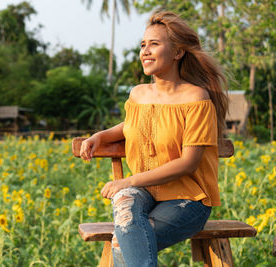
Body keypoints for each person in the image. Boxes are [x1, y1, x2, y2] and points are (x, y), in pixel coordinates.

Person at [80, 11, 228, 267]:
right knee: (125, 203)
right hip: (144, 193)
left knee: (122, 240)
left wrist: (128, 180)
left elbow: (188, 163)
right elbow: (134, 124)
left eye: (154, 44)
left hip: (188, 199)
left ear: (178, 52)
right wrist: (100, 136)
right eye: (142, 45)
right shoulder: (138, 94)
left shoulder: (196, 98)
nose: (145, 51)